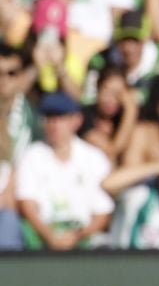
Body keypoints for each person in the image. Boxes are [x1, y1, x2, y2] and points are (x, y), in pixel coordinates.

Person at [12, 91, 113, 251]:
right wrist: (50, 235)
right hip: (41, 239)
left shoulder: (94, 158)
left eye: (61, 117)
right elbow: (27, 204)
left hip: (85, 239)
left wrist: (77, 236)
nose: (54, 124)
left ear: (77, 120)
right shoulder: (31, 156)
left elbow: (102, 212)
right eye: (49, 118)